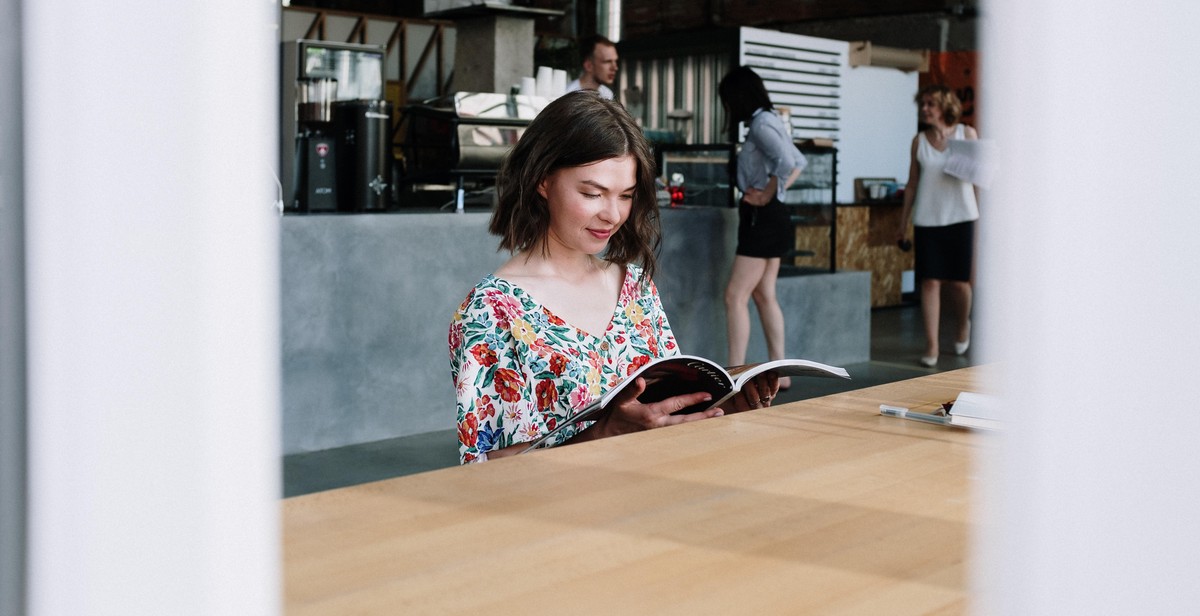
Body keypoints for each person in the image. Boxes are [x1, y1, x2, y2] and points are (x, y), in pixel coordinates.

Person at [449, 91, 778, 464]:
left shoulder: (634, 286)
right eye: (592, 193)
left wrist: (720, 407)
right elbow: (485, 470)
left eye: (626, 196)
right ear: (543, 181)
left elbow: (663, 417)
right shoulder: (492, 310)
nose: (612, 214)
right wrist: (603, 433)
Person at [717, 66, 807, 387]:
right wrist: (776, 193)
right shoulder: (771, 121)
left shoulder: (759, 125)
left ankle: (734, 373)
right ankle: (780, 373)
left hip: (762, 218)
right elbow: (799, 161)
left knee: (734, 296)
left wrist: (768, 193)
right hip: (772, 216)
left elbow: (787, 161)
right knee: (764, 294)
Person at [895, 84, 980, 367]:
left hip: (961, 217)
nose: (925, 109)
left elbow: (979, 179)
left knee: (959, 283)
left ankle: (962, 325)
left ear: (945, 105)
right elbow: (911, 185)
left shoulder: (965, 134)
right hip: (928, 219)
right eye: (923, 104)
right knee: (929, 282)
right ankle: (931, 345)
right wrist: (902, 223)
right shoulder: (918, 141)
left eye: (930, 103)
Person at [564, 34, 618, 100]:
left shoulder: (608, 94)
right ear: (588, 65)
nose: (615, 68)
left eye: (615, 61)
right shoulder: (567, 95)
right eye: (607, 61)